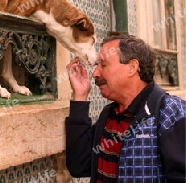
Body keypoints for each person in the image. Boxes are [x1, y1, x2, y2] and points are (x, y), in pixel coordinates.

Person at [65, 33, 186, 182]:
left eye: (103, 65)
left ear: (132, 67)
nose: (95, 73)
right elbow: (79, 166)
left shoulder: (171, 113)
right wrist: (80, 96)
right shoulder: (109, 115)